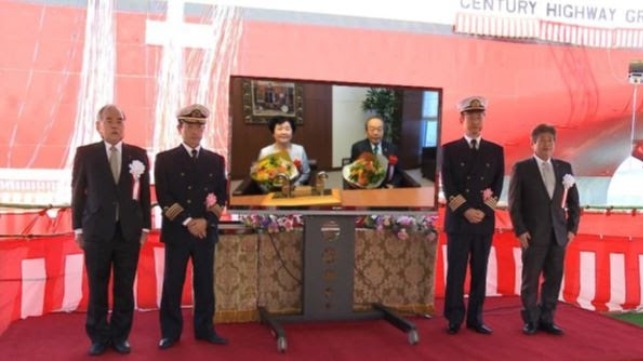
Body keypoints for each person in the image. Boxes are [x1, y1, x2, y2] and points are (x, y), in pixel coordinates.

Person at [71, 104, 151, 355]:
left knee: (124, 287)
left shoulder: (138, 154)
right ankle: (98, 336)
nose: (115, 125)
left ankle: (120, 336)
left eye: (120, 120)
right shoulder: (86, 154)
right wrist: (77, 228)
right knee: (97, 286)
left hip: (128, 232)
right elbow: (77, 193)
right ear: (99, 126)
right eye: (109, 120)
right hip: (96, 232)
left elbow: (145, 194)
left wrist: (146, 226)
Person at [155, 104, 228, 349]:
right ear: (180, 128)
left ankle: (205, 329)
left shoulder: (215, 160)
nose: (196, 131)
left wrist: (206, 221)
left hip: (205, 231)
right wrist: (188, 221)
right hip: (179, 231)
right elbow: (164, 197)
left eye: (200, 126)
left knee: (205, 283)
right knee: (173, 283)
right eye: (191, 125)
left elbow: (221, 196)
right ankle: (170, 332)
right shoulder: (165, 159)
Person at [508, 123, 581, 336]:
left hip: (559, 235)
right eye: (542, 140)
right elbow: (514, 204)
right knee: (530, 279)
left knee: (554, 278)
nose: (547, 144)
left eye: (551, 140)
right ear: (533, 144)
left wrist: (572, 229)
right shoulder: (521, 168)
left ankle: (547, 318)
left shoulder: (565, 168)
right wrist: (520, 230)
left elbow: (575, 202)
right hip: (532, 235)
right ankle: (531, 319)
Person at [441, 96, 504, 335]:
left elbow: (497, 186)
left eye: (480, 116)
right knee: (456, 271)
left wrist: (484, 211)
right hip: (459, 220)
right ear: (461, 119)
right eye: (471, 116)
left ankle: (475, 318)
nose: (476, 120)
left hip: (483, 222)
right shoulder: (449, 150)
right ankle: (454, 317)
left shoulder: (495, 151)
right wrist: (466, 210)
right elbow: (449, 187)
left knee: (480, 272)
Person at [349, 115, 402, 187]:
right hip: (365, 188)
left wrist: (392, 185)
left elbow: (398, 173)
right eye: (372, 129)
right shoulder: (357, 147)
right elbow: (352, 171)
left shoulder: (392, 148)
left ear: (383, 131)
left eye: (379, 129)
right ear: (366, 131)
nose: (376, 133)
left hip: (387, 188)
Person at [258, 116, 310, 185]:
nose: (283, 132)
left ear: (292, 132)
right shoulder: (265, 152)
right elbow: (261, 178)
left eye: (287, 129)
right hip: (273, 190)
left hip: (295, 189)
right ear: (273, 133)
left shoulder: (300, 150)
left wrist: (296, 185)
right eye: (279, 129)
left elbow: (306, 173)